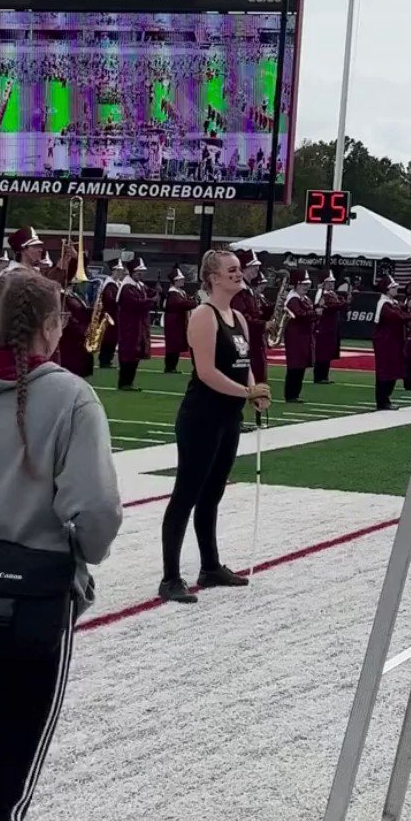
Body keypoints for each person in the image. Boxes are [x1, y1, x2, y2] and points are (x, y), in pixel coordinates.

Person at [0, 268, 122, 821]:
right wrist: (84, 552)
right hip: (27, 609)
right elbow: (97, 511)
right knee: (3, 791)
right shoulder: (71, 396)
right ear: (51, 327)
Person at [158, 250, 270, 604]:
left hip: (229, 416)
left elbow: (243, 363)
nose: (239, 274)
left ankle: (210, 567)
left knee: (213, 492)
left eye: (239, 269)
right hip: (202, 417)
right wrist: (246, 390)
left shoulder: (238, 316)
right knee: (186, 494)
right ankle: (171, 577)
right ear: (213, 278)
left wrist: (255, 391)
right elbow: (206, 373)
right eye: (232, 270)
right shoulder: (203, 316)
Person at [233, 250, 273, 387]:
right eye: (253, 266)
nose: (257, 269)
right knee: (248, 378)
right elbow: (241, 317)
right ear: (244, 268)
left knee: (258, 375)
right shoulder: (239, 290)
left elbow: (255, 312)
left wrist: (273, 309)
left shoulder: (248, 289)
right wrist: (263, 325)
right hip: (245, 340)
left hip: (254, 339)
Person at [115, 255, 154, 391]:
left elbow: (150, 293)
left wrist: (153, 296)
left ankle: (129, 382)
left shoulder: (139, 285)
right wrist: (151, 300)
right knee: (128, 354)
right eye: (139, 272)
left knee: (135, 355)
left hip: (138, 325)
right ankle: (124, 382)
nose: (141, 274)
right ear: (132, 272)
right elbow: (136, 303)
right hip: (129, 327)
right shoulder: (127, 287)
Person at [372, 275, 408, 411]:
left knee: (392, 370)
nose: (396, 289)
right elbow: (396, 317)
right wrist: (408, 314)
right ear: (387, 290)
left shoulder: (393, 303)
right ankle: (382, 400)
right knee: (385, 371)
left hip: (393, 342)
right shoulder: (385, 304)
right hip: (385, 343)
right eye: (393, 287)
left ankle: (386, 398)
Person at [281, 269, 314, 404]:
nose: (306, 287)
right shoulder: (293, 299)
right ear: (296, 285)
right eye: (303, 284)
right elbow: (300, 315)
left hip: (303, 336)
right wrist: (314, 313)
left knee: (300, 366)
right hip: (295, 336)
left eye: (307, 284)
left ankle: (295, 394)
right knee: (294, 366)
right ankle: (290, 395)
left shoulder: (303, 299)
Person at [312, 277, 350, 385]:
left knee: (328, 352)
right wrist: (342, 302)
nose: (331, 284)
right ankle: (319, 376)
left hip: (332, 327)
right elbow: (329, 306)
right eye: (329, 282)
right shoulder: (322, 294)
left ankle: (325, 375)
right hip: (323, 327)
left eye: (333, 282)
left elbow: (339, 303)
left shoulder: (332, 294)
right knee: (322, 352)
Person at [162, 269, 193, 375]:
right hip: (173, 322)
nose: (182, 281)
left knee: (176, 344)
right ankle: (169, 367)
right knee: (173, 344)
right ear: (175, 281)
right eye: (180, 279)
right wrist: (193, 303)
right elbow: (181, 304)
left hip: (179, 321)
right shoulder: (173, 293)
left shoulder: (181, 292)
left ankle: (173, 366)